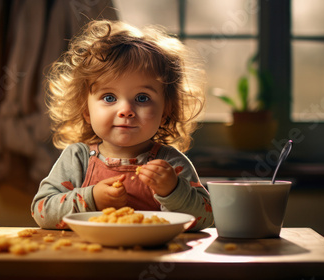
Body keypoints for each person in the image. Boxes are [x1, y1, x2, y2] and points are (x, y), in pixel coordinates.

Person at [31, 20, 213, 231]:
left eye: (142, 98)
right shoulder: (77, 159)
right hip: (87, 256)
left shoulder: (171, 163)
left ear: (166, 112)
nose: (125, 110)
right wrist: (91, 198)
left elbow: (205, 218)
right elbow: (42, 211)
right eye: (109, 97)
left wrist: (172, 190)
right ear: (86, 111)